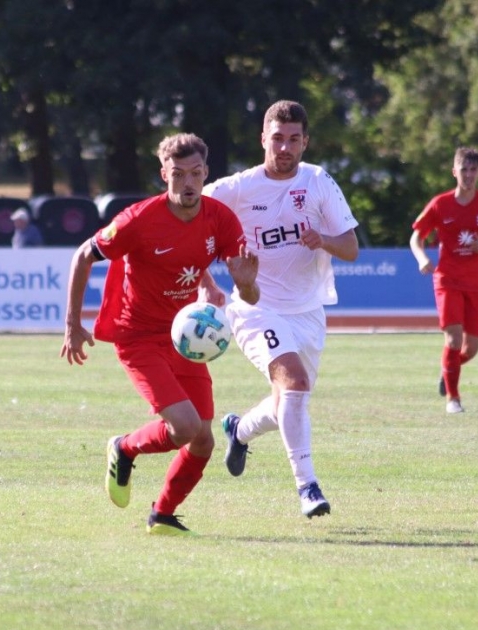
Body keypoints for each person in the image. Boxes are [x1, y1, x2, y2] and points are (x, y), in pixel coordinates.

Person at [60, 133, 259, 535]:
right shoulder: (138, 220)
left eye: (196, 173)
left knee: (203, 440)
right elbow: (84, 255)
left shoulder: (220, 219)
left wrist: (244, 284)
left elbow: (245, 290)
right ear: (163, 174)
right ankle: (124, 447)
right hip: (139, 336)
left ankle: (163, 514)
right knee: (184, 428)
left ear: (206, 174)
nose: (188, 183)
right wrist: (73, 324)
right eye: (179, 174)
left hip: (185, 338)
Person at [203, 100, 360, 519]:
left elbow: (351, 248)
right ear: (263, 139)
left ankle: (239, 430)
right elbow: (188, 216)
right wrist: (207, 282)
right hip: (256, 307)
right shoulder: (237, 187)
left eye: (293, 139)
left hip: (308, 313)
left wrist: (322, 239)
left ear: (305, 142)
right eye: (277, 138)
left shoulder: (319, 182)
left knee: (289, 400)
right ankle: (307, 486)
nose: (284, 147)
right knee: (292, 383)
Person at [409, 146, 478, 414]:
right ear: (454, 172)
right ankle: (453, 399)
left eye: (473, 170)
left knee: (471, 348)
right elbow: (416, 237)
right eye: (463, 170)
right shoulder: (440, 204)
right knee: (453, 341)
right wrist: (421, 258)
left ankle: (448, 370)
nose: (468, 175)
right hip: (448, 279)